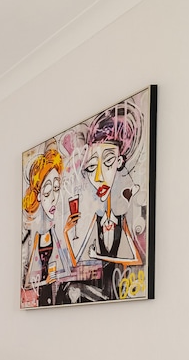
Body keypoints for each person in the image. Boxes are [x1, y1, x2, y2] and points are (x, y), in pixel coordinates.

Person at [64, 102, 146, 300]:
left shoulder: (126, 214)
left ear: (119, 162)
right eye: (92, 167)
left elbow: (133, 261)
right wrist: (68, 233)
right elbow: (77, 264)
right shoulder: (97, 218)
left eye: (108, 161)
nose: (99, 176)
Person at [21, 147, 74, 306]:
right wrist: (45, 281)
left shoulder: (55, 233)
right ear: (38, 195)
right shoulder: (34, 236)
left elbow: (69, 268)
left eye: (56, 190)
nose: (53, 199)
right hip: (42, 299)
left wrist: (66, 233)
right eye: (47, 192)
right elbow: (28, 282)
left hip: (59, 297)